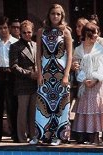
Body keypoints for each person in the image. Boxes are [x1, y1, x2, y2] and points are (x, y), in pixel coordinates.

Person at [35, 3, 73, 146]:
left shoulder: (66, 32)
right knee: (44, 104)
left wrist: (66, 75)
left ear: (62, 16)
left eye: (58, 14)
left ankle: (59, 135)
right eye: (53, 14)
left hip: (60, 72)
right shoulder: (41, 31)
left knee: (60, 105)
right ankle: (44, 135)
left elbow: (70, 55)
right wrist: (39, 74)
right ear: (49, 15)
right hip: (45, 73)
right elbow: (38, 54)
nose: (55, 16)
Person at [71, 22, 103, 144]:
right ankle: (83, 136)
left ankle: (95, 137)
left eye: (96, 34)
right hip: (84, 84)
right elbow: (76, 66)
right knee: (84, 109)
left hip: (97, 85)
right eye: (93, 34)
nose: (96, 36)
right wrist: (84, 79)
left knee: (96, 109)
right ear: (87, 35)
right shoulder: (78, 49)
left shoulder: (99, 48)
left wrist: (94, 79)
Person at [0, 16, 18, 142]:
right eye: (0, 28)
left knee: (12, 106)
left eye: (5, 28)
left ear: (9, 28)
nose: (3, 30)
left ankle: (15, 134)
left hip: (11, 73)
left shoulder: (15, 42)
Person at [9, 20, 38, 144]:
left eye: (29, 32)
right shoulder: (15, 46)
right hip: (22, 84)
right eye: (24, 32)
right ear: (20, 33)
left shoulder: (36, 45)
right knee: (22, 113)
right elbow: (14, 66)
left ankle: (33, 136)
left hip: (36, 83)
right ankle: (21, 138)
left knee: (33, 112)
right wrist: (29, 74)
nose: (27, 34)